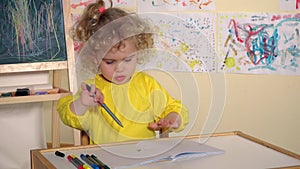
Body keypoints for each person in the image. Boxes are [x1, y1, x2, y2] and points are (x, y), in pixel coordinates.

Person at [57, 0, 189, 144]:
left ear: (138, 52)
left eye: (127, 60)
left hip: (144, 159)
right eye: (110, 62)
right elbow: (68, 115)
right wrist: (82, 103)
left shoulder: (146, 84)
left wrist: (173, 117)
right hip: (105, 161)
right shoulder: (92, 90)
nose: (119, 68)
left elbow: (173, 107)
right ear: (95, 59)